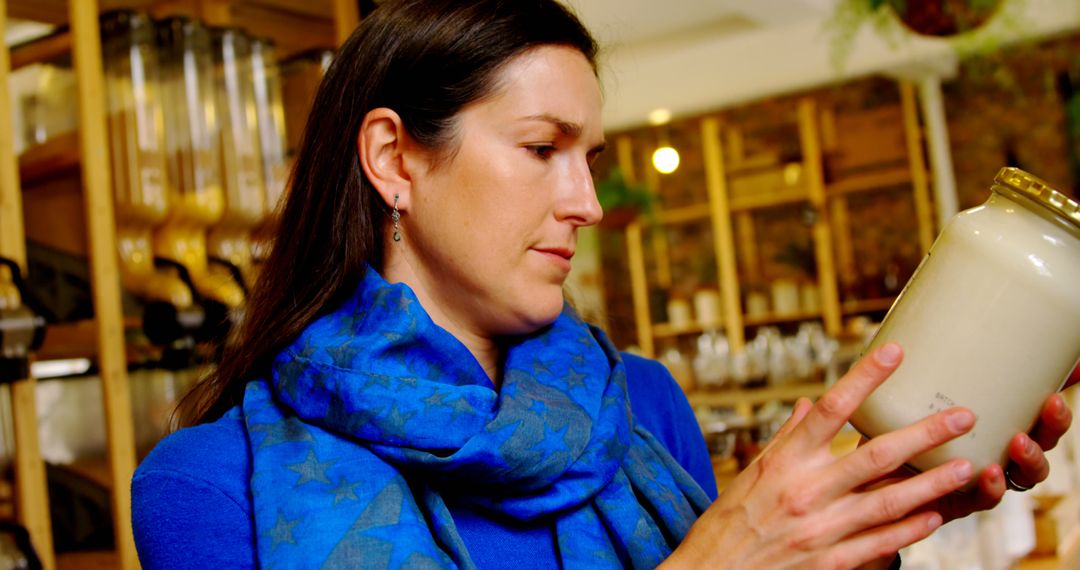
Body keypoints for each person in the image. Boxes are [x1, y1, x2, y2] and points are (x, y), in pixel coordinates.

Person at [130, 0, 1074, 568]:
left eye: (591, 156)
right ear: (394, 159)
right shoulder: (213, 488)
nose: (585, 200)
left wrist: (875, 518)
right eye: (542, 149)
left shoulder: (644, 409)